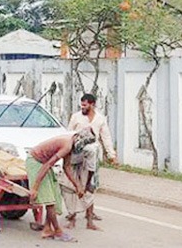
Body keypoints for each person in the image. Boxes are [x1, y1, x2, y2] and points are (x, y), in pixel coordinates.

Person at [27, 127, 97, 242]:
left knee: (55, 195)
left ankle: (47, 228)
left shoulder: (70, 145)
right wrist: (35, 187)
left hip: (44, 164)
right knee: (49, 199)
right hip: (36, 162)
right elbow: (49, 164)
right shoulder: (67, 145)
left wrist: (77, 185)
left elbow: (67, 167)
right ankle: (58, 231)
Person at [61, 93, 118, 230]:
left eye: (85, 105)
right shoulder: (76, 117)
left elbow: (106, 137)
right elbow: (69, 135)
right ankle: (72, 216)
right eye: (81, 105)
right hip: (76, 156)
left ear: (92, 105)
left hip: (92, 158)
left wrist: (111, 155)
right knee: (74, 186)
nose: (83, 107)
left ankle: (89, 218)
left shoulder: (100, 119)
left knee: (90, 187)